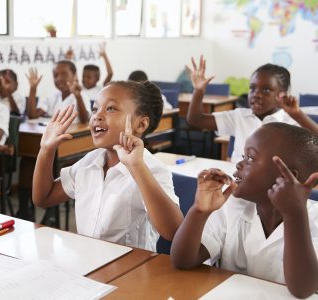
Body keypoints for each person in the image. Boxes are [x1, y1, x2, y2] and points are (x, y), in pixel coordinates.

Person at [171, 122, 318, 298]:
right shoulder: (230, 206)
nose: (239, 164)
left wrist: (295, 214)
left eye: (250, 158)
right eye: (242, 156)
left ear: (288, 176)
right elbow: (182, 260)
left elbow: (303, 289)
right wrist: (199, 212)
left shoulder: (314, 220)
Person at [32, 81, 183, 251]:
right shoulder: (89, 162)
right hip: (88, 264)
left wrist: (137, 167)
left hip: (130, 272)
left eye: (111, 109)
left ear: (141, 124)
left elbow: (174, 232)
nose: (97, 116)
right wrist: (46, 150)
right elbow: (43, 198)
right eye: (95, 109)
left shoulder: (151, 169)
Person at [186, 55, 318, 163]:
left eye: (266, 90)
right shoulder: (239, 116)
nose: (256, 94)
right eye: (252, 88)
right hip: (237, 183)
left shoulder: (291, 122)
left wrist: (297, 114)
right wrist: (198, 90)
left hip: (273, 187)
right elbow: (195, 120)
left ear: (282, 94)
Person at [26, 61, 90, 124]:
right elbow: (32, 116)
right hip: (54, 133)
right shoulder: (51, 96)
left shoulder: (82, 96)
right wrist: (33, 89)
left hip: (74, 133)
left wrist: (78, 97)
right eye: (55, 76)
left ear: (74, 75)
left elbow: (84, 121)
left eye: (64, 75)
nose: (59, 79)